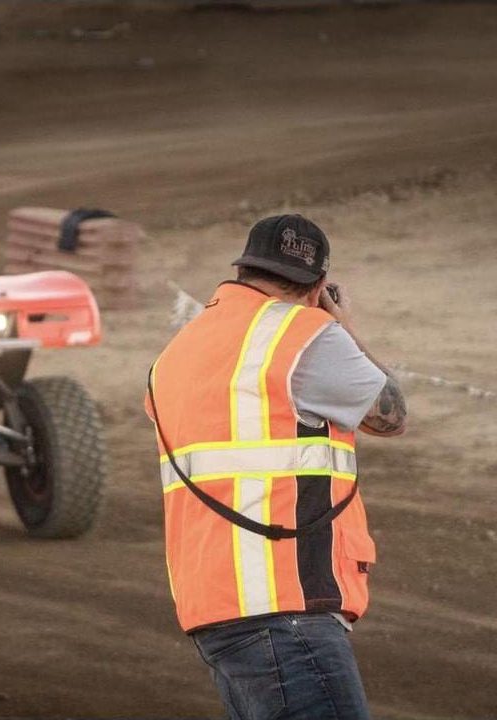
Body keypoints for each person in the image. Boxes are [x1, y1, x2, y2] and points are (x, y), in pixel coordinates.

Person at [144, 214, 406, 720]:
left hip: (214, 610)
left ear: (244, 269)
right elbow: (390, 414)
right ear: (319, 286)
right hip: (285, 609)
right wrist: (343, 325)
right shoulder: (306, 334)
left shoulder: (177, 352)